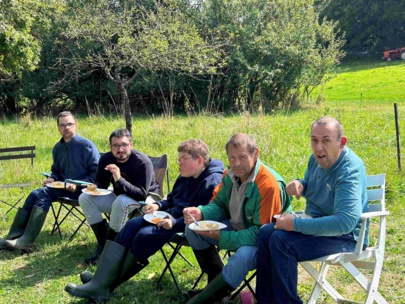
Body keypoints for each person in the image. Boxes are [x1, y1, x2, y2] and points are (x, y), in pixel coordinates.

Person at [64, 139, 224, 303]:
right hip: (168, 215)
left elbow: (200, 217)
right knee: (132, 225)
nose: (179, 163)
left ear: (199, 160)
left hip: (184, 224)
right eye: (178, 158)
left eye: (184, 159)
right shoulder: (187, 174)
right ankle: (101, 278)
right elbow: (171, 199)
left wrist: (173, 224)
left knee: (144, 236)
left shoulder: (210, 182)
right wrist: (158, 204)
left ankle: (107, 285)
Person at [255, 116, 368, 304]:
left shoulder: (349, 170)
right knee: (267, 231)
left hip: (347, 237)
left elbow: (345, 222)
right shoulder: (315, 161)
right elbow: (314, 184)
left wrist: (296, 224)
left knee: (282, 240)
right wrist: (301, 184)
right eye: (314, 140)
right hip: (319, 228)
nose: (318, 148)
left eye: (325, 140)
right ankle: (265, 301)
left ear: (342, 142)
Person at [183, 133, 291, 304]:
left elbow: (261, 233)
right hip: (237, 227)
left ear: (255, 154)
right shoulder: (229, 174)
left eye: (242, 157)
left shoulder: (269, 185)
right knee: (192, 229)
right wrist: (201, 213)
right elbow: (219, 205)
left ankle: (200, 300)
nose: (236, 163)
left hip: (265, 241)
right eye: (232, 158)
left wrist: (223, 237)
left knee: (241, 257)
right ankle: (216, 284)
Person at [0, 111, 99, 252]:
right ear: (58, 128)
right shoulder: (57, 148)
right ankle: (13, 236)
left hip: (82, 191)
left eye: (70, 124)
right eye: (62, 125)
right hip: (62, 188)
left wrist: (77, 185)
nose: (66, 127)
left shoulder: (86, 146)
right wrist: (52, 178)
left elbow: (96, 173)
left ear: (76, 126)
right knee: (35, 193)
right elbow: (57, 171)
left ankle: (26, 240)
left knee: (44, 193)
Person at [79, 128, 161, 265]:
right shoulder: (106, 159)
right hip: (120, 196)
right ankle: (103, 245)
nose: (120, 149)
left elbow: (141, 193)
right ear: (110, 147)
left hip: (147, 200)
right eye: (115, 145)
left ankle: (111, 252)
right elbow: (102, 185)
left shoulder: (142, 162)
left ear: (131, 145)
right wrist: (94, 188)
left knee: (121, 201)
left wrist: (119, 179)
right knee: (85, 198)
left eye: (124, 144)